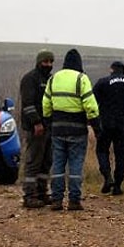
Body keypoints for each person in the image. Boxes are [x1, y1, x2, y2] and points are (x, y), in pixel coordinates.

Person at [42, 48, 99, 211]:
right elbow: (91, 106)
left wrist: (48, 122)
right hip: (77, 130)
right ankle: (74, 200)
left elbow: (46, 104)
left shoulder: (53, 79)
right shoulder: (81, 78)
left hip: (58, 129)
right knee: (75, 165)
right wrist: (96, 127)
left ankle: (57, 199)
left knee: (58, 164)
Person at [92, 61, 124, 195]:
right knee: (121, 154)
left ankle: (107, 177)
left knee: (102, 150)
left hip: (105, 123)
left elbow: (93, 99)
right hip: (122, 124)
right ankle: (118, 186)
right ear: (123, 71)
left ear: (111, 70)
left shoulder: (102, 82)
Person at [19, 49, 54, 208]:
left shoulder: (50, 79)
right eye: (45, 61)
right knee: (34, 162)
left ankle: (42, 192)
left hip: (49, 127)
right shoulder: (30, 79)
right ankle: (29, 195)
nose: (48, 65)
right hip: (35, 128)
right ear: (39, 62)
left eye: (50, 62)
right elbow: (28, 104)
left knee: (46, 162)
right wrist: (36, 123)